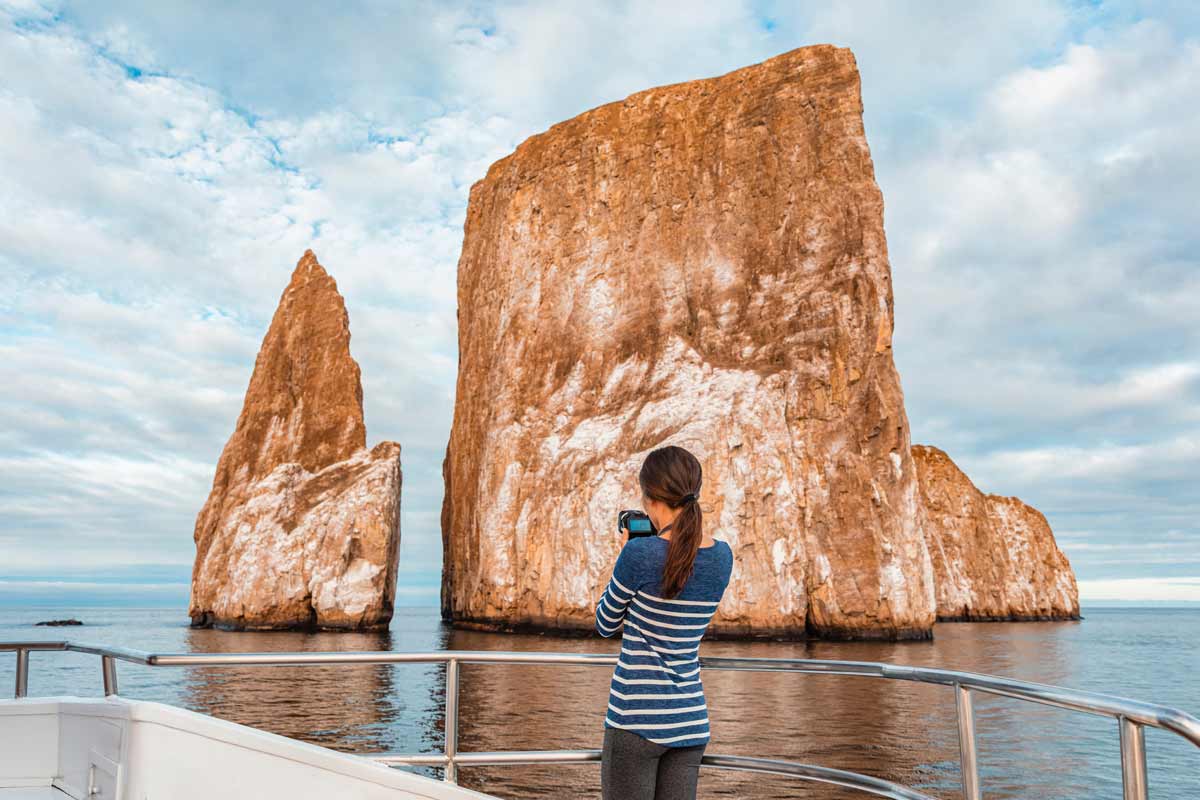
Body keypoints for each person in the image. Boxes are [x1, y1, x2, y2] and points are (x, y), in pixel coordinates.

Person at [594, 445, 734, 800]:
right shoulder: (722, 556)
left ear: (650, 497)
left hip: (636, 723)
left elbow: (605, 622)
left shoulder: (639, 554)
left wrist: (626, 556)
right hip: (690, 724)